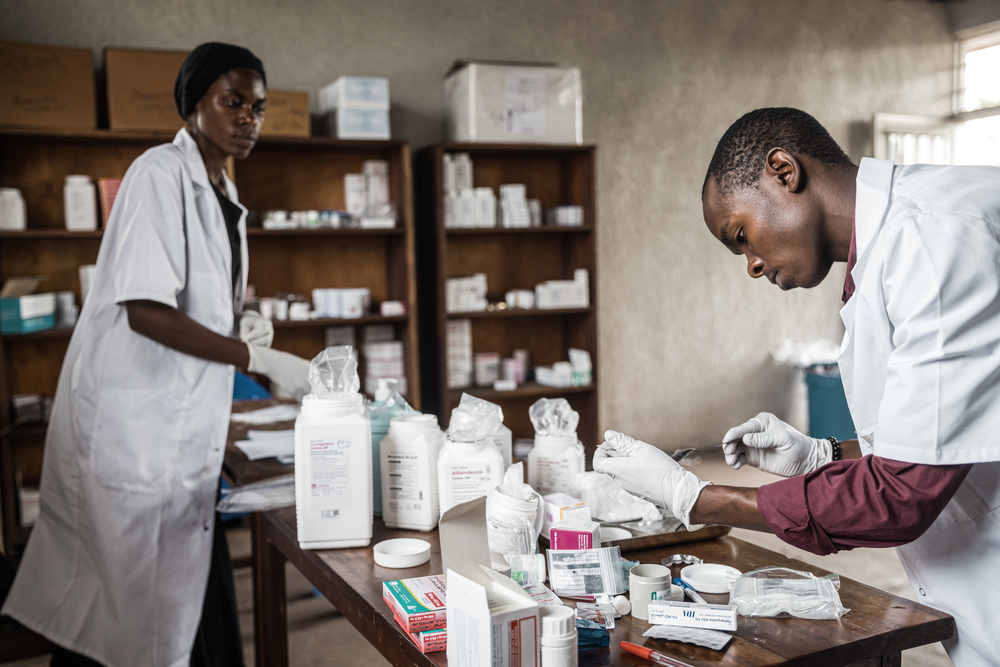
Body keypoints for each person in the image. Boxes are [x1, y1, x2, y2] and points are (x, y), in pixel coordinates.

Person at [595, 107, 1000, 667]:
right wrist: (821, 455)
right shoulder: (896, 246)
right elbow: (951, 437)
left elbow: (899, 497)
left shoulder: (932, 240)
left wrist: (694, 496)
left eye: (741, 236)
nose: (751, 267)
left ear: (783, 170)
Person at [1, 43, 312, 667]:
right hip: (133, 429)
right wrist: (254, 361)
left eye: (257, 106)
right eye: (232, 102)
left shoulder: (223, 189)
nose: (248, 118)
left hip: (179, 430)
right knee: (119, 616)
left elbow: (190, 299)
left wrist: (238, 324)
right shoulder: (157, 173)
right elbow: (144, 309)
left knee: (174, 599)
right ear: (194, 104)